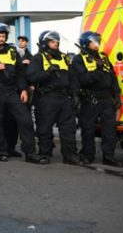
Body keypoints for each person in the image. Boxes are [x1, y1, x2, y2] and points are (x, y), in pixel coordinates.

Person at [0, 23, 47, 164]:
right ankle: (2, 151)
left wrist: (23, 89)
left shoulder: (12, 51)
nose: (1, 39)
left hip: (11, 92)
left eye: (3, 36)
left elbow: (20, 73)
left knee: (25, 120)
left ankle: (30, 152)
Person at [27, 30, 82, 165]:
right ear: (45, 44)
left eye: (57, 42)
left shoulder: (65, 58)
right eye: (52, 42)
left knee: (68, 128)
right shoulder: (38, 58)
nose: (56, 44)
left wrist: (75, 94)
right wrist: (48, 72)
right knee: (44, 127)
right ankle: (45, 153)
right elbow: (31, 77)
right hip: (46, 98)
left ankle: (69, 155)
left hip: (64, 97)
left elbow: (73, 78)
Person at [72, 31, 123, 167]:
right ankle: (88, 156)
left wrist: (117, 94)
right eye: (94, 42)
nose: (97, 44)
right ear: (86, 43)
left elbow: (112, 77)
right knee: (88, 129)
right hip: (90, 99)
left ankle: (109, 156)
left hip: (106, 99)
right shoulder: (79, 59)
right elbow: (81, 79)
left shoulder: (103, 57)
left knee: (110, 130)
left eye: (98, 41)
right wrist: (97, 70)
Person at [3, 35, 33, 157]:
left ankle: (27, 149)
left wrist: (31, 85)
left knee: (24, 120)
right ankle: (9, 148)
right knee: (10, 122)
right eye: (19, 40)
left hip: (24, 91)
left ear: (27, 43)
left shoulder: (31, 56)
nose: (21, 42)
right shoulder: (13, 53)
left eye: (23, 41)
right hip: (11, 90)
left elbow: (32, 73)